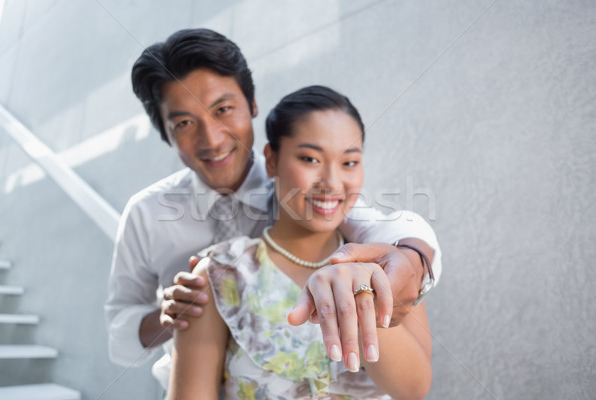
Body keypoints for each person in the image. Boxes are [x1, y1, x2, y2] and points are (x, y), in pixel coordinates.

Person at [105, 28, 441, 389]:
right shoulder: (147, 213)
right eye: (184, 123)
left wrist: (412, 257)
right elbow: (119, 335)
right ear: (166, 133)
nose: (212, 138)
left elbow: (387, 227)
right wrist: (168, 316)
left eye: (223, 110)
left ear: (251, 105)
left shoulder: (299, 191)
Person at [169, 85, 432, 399]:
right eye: (310, 159)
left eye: (349, 162)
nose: (332, 183)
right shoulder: (221, 275)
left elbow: (415, 390)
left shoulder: (387, 264)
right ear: (271, 159)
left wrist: (364, 294)